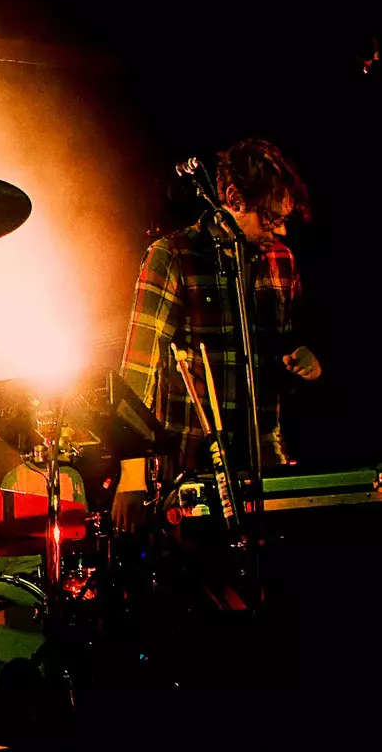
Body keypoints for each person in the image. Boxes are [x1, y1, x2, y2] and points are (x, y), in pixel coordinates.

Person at [111, 138, 323, 533]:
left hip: (264, 459)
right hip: (191, 468)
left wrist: (307, 362)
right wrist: (132, 477)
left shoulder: (281, 261)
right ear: (233, 198)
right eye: (270, 219)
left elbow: (287, 349)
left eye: (283, 220)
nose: (280, 230)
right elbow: (138, 373)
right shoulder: (173, 255)